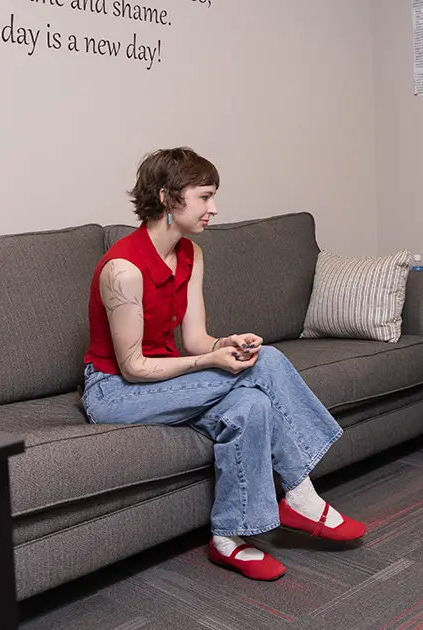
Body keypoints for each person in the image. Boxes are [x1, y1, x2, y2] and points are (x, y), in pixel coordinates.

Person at [81, 147, 365, 582]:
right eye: (204, 197)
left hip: (165, 377)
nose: (214, 209)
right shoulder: (123, 270)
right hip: (114, 391)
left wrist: (226, 344)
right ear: (166, 198)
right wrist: (211, 361)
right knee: (265, 361)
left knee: (253, 407)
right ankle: (302, 494)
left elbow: (195, 340)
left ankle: (229, 539)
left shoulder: (191, 255)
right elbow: (134, 367)